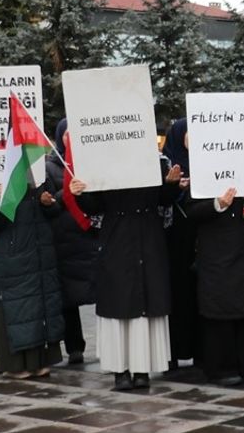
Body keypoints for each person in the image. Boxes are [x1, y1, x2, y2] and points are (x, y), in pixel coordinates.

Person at [71, 157, 182, 390]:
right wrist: (79, 193)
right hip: (117, 240)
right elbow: (94, 205)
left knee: (146, 305)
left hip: (148, 238)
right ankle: (120, 370)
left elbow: (163, 199)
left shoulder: (155, 161)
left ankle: (142, 370)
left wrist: (171, 184)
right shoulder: (101, 164)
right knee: (118, 304)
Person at [185, 182, 244, 386]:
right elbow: (191, 212)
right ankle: (222, 368)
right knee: (219, 309)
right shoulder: (201, 175)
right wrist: (217, 204)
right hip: (215, 252)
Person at [0, 178, 65, 379]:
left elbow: (54, 211)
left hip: (40, 250)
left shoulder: (38, 174)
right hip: (15, 252)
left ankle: (39, 362)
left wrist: (48, 203)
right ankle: (16, 364)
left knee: (40, 307)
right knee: (18, 307)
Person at [44, 119, 101, 366]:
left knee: (103, 293)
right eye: (67, 134)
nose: (71, 139)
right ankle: (75, 347)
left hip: (91, 238)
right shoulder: (50, 167)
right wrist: (65, 194)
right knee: (68, 299)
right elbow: (47, 206)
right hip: (65, 242)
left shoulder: (91, 164)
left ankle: (109, 345)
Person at [161, 119, 201, 367]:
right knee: (175, 295)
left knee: (198, 294)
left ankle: (200, 350)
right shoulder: (165, 163)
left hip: (198, 237)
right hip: (172, 240)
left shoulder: (205, 162)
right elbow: (161, 200)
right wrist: (174, 187)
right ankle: (173, 352)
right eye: (187, 134)